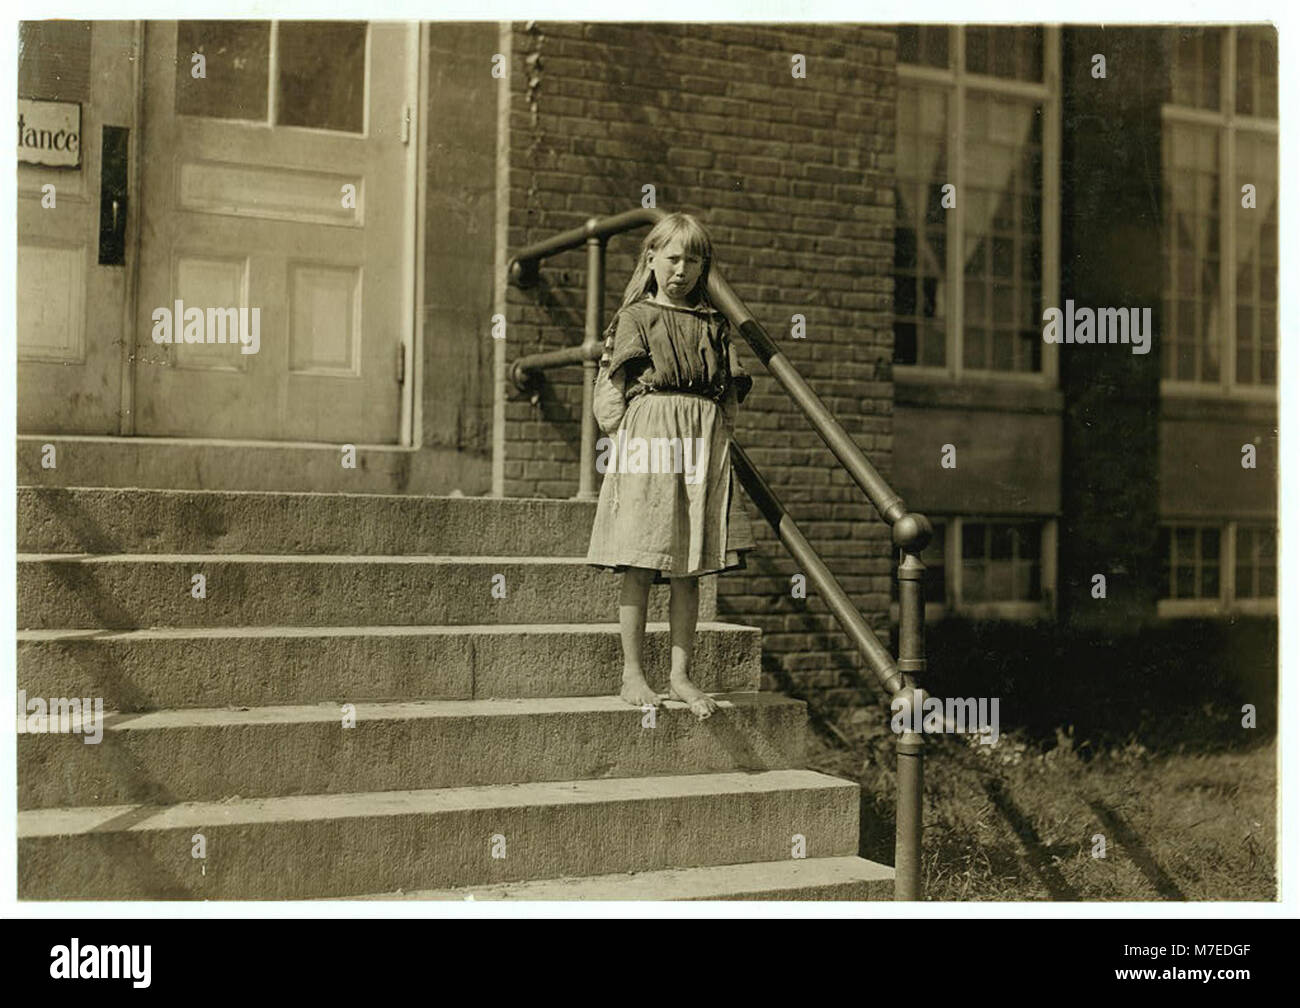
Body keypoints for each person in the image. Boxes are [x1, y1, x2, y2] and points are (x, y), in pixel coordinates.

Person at [586, 212, 757, 720]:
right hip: (652, 432)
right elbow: (609, 397)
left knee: (690, 562)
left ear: (705, 266)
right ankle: (632, 672)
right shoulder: (636, 317)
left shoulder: (712, 323)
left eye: (693, 259)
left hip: (703, 439)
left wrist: (714, 433)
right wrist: (635, 433)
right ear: (652, 259)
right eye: (673, 257)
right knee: (642, 554)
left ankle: (681, 674)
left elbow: (729, 395)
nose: (682, 269)